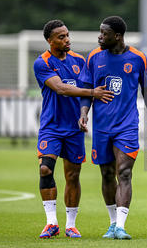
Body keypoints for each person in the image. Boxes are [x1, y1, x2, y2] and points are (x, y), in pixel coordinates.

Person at [78, 16, 147, 240]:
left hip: (127, 126)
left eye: (103, 33)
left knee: (124, 173)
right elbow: (87, 88)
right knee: (107, 174)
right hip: (102, 128)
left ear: (117, 36)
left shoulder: (137, 58)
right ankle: (112, 224)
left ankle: (121, 226)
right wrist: (84, 113)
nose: (99, 37)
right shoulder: (94, 57)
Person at [33, 19, 114, 239]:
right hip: (51, 126)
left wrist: (83, 115)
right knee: (45, 169)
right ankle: (51, 223)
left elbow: (88, 88)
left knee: (73, 175)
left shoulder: (80, 60)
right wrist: (92, 94)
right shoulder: (42, 63)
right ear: (50, 41)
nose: (67, 39)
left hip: (75, 128)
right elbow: (60, 88)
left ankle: (70, 224)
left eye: (67, 35)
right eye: (61, 37)